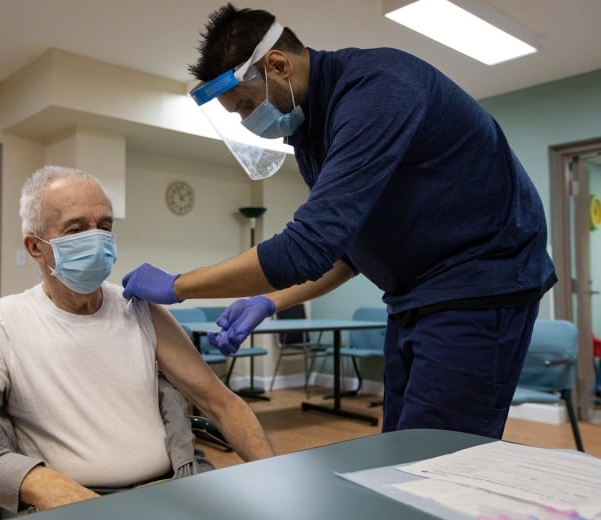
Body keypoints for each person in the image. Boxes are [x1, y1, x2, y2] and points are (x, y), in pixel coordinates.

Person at [122, 4, 557, 439]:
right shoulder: (311, 132)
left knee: (437, 460)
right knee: (403, 445)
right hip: (413, 296)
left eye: (247, 105)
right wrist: (270, 302)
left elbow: (305, 246)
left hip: (480, 283)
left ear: (278, 65)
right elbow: (346, 252)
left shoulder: (378, 89)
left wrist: (179, 285)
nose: (247, 121)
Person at [0, 165, 273, 516]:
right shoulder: (3, 322)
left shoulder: (138, 308)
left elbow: (219, 402)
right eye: (76, 229)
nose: (96, 238)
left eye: (104, 226)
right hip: (71, 504)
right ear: (35, 247)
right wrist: (45, 485)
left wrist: (276, 477)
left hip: (168, 489)